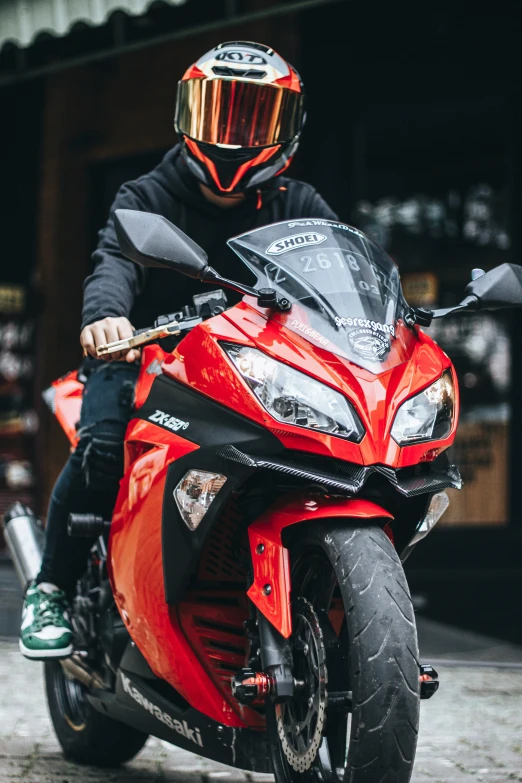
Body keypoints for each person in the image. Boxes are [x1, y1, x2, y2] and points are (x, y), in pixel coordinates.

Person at [20, 40, 338, 659]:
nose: (232, 133)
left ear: (286, 128)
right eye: (220, 112)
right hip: (142, 352)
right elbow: (114, 259)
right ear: (187, 113)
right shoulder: (147, 194)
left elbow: (339, 266)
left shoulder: (298, 205)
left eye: (252, 117)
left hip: (250, 364)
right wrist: (107, 317)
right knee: (103, 449)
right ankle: (51, 587)